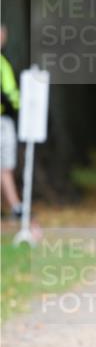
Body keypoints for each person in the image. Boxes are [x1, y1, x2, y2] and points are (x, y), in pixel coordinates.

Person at [0, 25, 22, 218]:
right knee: (5, 167)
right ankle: (16, 209)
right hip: (3, 120)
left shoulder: (3, 62)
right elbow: (9, 95)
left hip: (6, 119)